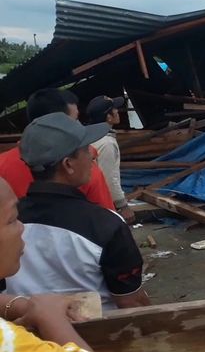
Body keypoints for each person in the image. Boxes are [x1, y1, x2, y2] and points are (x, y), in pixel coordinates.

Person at [5, 113, 150, 310]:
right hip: (96, 335)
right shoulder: (105, 225)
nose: (92, 155)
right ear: (68, 164)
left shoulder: (8, 220)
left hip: (22, 331)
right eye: (85, 150)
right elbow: (131, 302)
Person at [0, 176, 96, 352]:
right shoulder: (9, 341)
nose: (21, 227)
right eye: (12, 219)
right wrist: (51, 320)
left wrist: (21, 304)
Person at [0, 88, 115, 211]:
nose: (79, 126)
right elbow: (107, 218)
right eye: (75, 120)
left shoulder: (3, 163)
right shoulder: (81, 167)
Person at [86, 96, 134, 223]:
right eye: (115, 109)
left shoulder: (88, 136)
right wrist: (122, 205)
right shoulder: (107, 143)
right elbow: (109, 177)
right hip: (100, 203)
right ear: (108, 117)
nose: (118, 111)